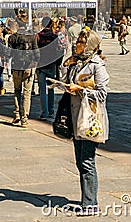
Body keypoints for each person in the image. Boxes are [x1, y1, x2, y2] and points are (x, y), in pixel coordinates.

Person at [64, 29, 109, 216]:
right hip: (76, 118)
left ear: (89, 45)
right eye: (77, 42)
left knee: (87, 161)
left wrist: (80, 91)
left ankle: (91, 204)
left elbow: (102, 93)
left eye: (81, 42)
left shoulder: (97, 65)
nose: (77, 45)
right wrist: (67, 64)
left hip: (90, 119)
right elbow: (64, 80)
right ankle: (86, 199)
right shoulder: (77, 62)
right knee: (80, 161)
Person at [5, 15, 40, 128]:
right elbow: (37, 54)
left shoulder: (12, 38)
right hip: (29, 68)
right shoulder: (31, 37)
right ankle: (24, 118)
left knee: (17, 91)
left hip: (16, 67)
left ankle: (16, 114)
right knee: (27, 93)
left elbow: (8, 54)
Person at [36, 16, 60, 120]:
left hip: (41, 65)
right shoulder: (55, 37)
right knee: (51, 89)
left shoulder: (38, 36)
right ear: (51, 25)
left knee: (42, 90)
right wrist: (57, 63)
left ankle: (44, 112)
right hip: (52, 65)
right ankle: (51, 109)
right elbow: (60, 51)